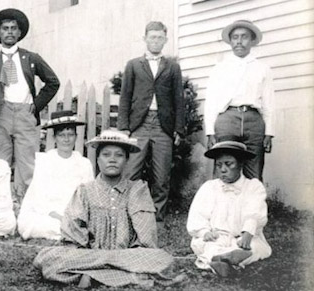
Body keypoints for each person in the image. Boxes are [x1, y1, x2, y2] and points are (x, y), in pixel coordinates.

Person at [34, 130, 181, 288]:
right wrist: (98, 255)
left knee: (162, 259)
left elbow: (146, 240)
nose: (112, 159)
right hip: (92, 254)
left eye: (119, 155)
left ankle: (92, 275)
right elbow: (73, 238)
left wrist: (113, 257)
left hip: (128, 255)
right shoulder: (85, 191)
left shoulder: (137, 190)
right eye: (106, 154)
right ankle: (132, 276)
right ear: (97, 159)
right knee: (49, 259)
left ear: (126, 160)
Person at [0, 8, 60, 207]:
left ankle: (25, 206)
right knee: (1, 161)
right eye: (5, 29)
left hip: (25, 112)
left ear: (20, 33)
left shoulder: (31, 58)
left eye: (14, 28)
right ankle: (0, 204)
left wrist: (35, 105)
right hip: (1, 115)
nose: (10, 32)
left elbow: (53, 82)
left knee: (26, 161)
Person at [117, 21, 184, 224]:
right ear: (145, 39)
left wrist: (178, 128)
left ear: (165, 40)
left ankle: (157, 217)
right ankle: (128, 213)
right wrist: (124, 128)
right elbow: (125, 97)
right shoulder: (133, 65)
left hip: (163, 125)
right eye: (152, 37)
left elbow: (178, 99)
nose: (156, 41)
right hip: (139, 124)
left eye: (160, 37)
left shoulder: (172, 67)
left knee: (161, 174)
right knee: (131, 170)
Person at [187, 140, 271, 277]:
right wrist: (204, 232)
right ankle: (222, 260)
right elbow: (198, 213)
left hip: (241, 237)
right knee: (208, 246)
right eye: (219, 165)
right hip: (217, 236)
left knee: (256, 247)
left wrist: (248, 232)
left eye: (228, 164)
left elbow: (254, 211)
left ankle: (231, 257)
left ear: (240, 164)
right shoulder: (210, 187)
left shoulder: (253, 187)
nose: (223, 170)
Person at [205, 20, 274, 180]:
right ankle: (221, 205)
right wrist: (210, 131)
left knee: (254, 173)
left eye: (244, 37)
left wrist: (269, 132)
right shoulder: (220, 68)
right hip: (227, 119)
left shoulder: (262, 68)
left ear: (251, 41)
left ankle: (252, 205)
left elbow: (269, 102)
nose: (239, 41)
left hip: (254, 121)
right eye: (235, 37)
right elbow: (211, 102)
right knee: (224, 169)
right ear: (230, 41)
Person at [17, 111, 94, 240]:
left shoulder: (83, 163)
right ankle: (68, 233)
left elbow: (88, 196)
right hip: (47, 212)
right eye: (62, 135)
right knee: (30, 224)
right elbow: (38, 195)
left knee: (83, 226)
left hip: (73, 213)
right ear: (54, 138)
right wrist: (56, 215)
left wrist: (73, 217)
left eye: (70, 135)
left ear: (76, 137)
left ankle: (68, 232)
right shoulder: (45, 161)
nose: (66, 139)